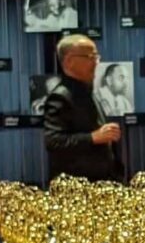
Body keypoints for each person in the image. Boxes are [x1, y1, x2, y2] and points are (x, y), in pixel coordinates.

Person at [43, 34, 124, 182]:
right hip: (76, 190)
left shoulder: (87, 91)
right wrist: (93, 137)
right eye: (90, 57)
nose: (96, 63)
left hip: (101, 185)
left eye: (96, 57)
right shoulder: (60, 96)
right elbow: (54, 142)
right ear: (69, 61)